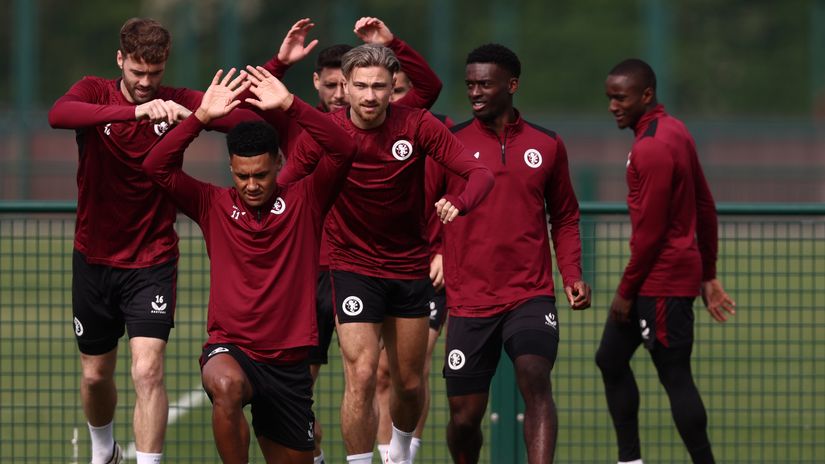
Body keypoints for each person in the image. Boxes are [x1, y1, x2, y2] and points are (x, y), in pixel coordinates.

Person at [47, 18, 256, 464]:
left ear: (165, 66)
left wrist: (203, 114)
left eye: (154, 74)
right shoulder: (94, 92)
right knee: (95, 375)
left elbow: (243, 119)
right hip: (94, 257)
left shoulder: (178, 101)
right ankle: (104, 452)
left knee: (147, 369)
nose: (145, 83)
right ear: (120, 60)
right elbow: (59, 115)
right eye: (137, 72)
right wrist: (135, 111)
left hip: (152, 259)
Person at [279, 44, 494, 464]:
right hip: (351, 266)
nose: (371, 96)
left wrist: (462, 202)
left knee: (408, 382)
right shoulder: (325, 131)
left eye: (380, 86)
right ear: (345, 86)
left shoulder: (417, 124)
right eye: (360, 86)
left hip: (408, 268)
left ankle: (399, 451)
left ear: (393, 87)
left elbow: (479, 172)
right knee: (359, 375)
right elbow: (284, 188)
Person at [142, 66, 357, 463]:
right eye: (242, 176)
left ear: (279, 163)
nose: (252, 185)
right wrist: (201, 118)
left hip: (290, 363)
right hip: (232, 349)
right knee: (225, 385)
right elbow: (156, 166)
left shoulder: (307, 200)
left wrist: (292, 105)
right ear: (231, 170)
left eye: (260, 174)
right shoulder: (212, 204)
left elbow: (344, 148)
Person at [428, 44, 591, 464]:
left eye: (485, 83)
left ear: (512, 85)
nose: (475, 92)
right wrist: (435, 251)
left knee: (535, 376)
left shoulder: (548, 146)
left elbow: (566, 217)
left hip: (529, 294)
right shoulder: (450, 144)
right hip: (469, 301)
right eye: (470, 84)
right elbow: (423, 209)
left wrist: (571, 274)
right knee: (465, 419)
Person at [595, 58, 737, 464]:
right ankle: (630, 460)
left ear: (646, 95)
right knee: (609, 358)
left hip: (658, 283)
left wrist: (625, 292)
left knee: (675, 376)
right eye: (609, 98)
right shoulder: (676, 130)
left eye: (620, 97)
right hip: (668, 276)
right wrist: (707, 274)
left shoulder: (652, 147)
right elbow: (705, 205)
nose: (612, 106)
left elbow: (651, 234)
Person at [375, 70, 453, 462]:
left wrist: (446, 252)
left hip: (428, 270)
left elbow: (467, 195)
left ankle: (406, 455)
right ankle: (386, 454)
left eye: (401, 91)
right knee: (377, 373)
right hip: (377, 268)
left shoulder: (438, 134)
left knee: (413, 366)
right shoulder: (369, 135)